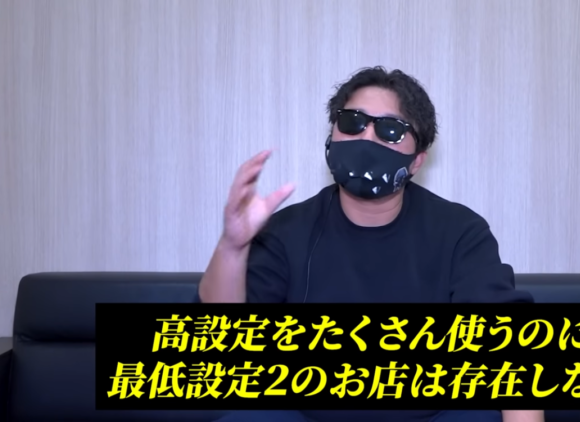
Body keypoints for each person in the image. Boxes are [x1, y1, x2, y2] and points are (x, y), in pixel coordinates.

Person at [199, 67, 544, 422]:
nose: (366, 138)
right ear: (332, 136)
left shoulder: (459, 231)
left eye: (390, 129)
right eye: (352, 122)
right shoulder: (287, 229)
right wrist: (232, 246)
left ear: (417, 161)